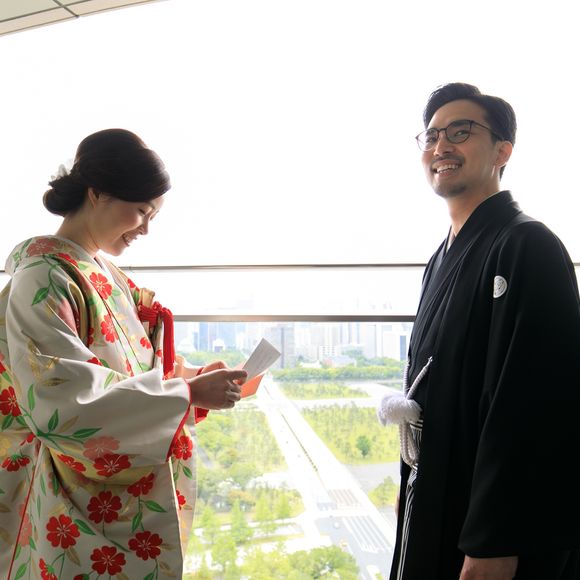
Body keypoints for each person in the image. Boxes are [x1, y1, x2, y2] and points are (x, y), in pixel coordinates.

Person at [0, 129, 247, 578]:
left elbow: (132, 362)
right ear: (97, 193)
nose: (145, 229)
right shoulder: (42, 278)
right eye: (141, 211)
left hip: (108, 486)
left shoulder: (101, 271)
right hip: (69, 488)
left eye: (152, 215)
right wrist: (187, 394)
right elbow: (63, 400)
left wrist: (191, 377)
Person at [378, 83, 580, 579]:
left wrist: (496, 539)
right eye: (431, 136)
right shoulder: (441, 257)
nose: (440, 146)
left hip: (492, 524)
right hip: (441, 486)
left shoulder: (527, 245)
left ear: (502, 151)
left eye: (460, 132)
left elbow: (536, 405)